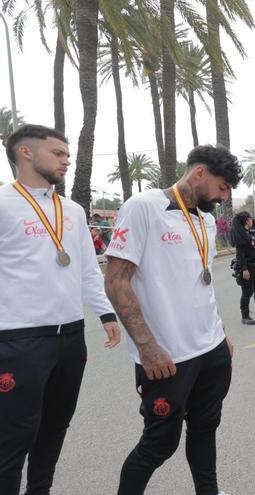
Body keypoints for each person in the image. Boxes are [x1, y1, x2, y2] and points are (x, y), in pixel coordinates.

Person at [104, 144, 241, 495]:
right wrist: (147, 349)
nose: (224, 197)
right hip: (166, 358)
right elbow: (117, 279)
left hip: (211, 350)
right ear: (199, 173)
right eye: (222, 187)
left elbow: (201, 285)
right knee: (159, 444)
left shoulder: (206, 220)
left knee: (205, 429)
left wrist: (220, 332)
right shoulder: (144, 207)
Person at [0, 124, 120, 495]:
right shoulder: (3, 203)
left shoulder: (71, 208)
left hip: (69, 337)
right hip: (19, 339)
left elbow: (86, 267)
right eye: (58, 153)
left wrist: (106, 314)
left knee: (55, 427)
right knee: (16, 433)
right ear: (26, 153)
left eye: (68, 154)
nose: (67, 161)